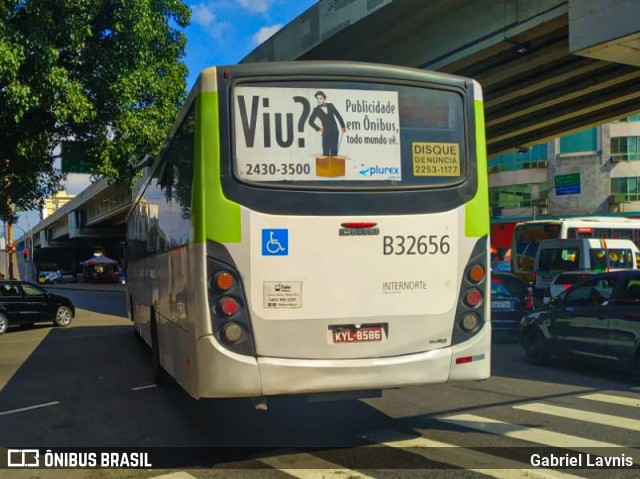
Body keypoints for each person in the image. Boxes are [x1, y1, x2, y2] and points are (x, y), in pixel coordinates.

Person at [308, 91, 346, 156]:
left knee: (334, 152)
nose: (319, 100)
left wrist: (343, 126)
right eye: (317, 98)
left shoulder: (330, 105)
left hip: (334, 131)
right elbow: (310, 121)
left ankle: (334, 166)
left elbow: (338, 116)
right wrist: (319, 129)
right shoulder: (316, 110)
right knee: (326, 152)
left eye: (321, 98)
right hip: (326, 133)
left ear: (324, 98)